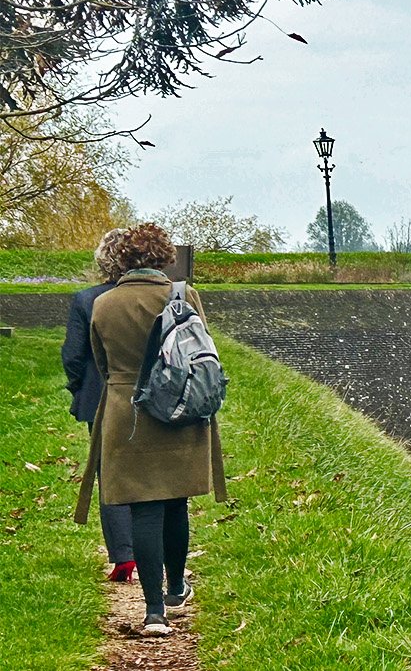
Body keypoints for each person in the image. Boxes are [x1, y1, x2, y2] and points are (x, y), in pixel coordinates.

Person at [73, 223, 226, 638]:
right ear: (163, 256)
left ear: (118, 259)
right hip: (179, 410)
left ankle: (153, 612)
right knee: (176, 505)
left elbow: (101, 365)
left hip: (128, 414)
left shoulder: (104, 304)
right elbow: (200, 350)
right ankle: (176, 589)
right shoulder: (184, 295)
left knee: (144, 508)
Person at [63, 229, 136, 583]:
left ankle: (124, 557)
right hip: (148, 394)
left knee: (110, 473)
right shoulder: (158, 297)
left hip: (101, 396)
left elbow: (73, 356)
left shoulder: (86, 299)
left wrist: (80, 388)